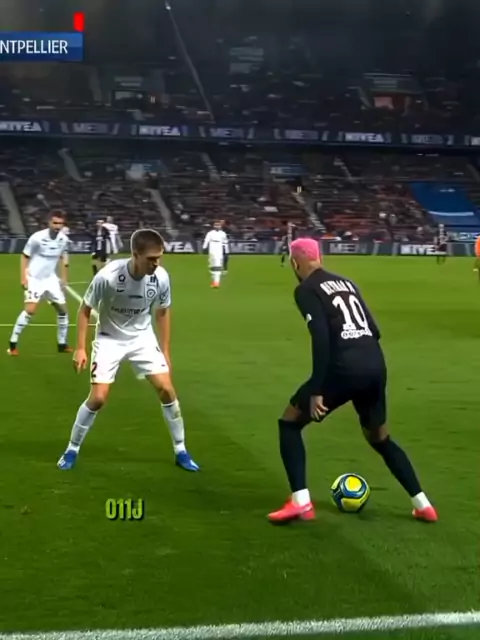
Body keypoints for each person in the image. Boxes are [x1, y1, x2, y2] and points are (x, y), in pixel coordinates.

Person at [268, 237, 437, 524]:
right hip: (374, 363)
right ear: (319, 257)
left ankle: (301, 502)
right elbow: (374, 330)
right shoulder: (346, 283)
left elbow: (321, 339)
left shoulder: (306, 289)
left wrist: (317, 389)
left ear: (295, 263)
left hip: (343, 367)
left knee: (289, 422)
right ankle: (423, 505)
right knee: (380, 438)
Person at [57, 228, 199, 473]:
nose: (156, 264)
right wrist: (80, 348)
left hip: (142, 338)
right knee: (98, 398)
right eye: (151, 259)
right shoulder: (108, 276)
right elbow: (85, 309)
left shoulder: (161, 277)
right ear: (135, 255)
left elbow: (162, 312)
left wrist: (165, 351)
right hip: (109, 339)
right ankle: (72, 449)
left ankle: (181, 450)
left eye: (159, 258)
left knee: (167, 390)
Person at [8, 210, 71, 356]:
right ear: (49, 222)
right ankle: (12, 344)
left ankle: (62, 344)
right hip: (35, 278)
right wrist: (23, 278)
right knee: (30, 310)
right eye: (55, 223)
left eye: (60, 223)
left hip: (50, 279)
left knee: (63, 311)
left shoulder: (63, 239)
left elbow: (64, 258)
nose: (57, 226)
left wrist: (64, 278)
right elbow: (24, 256)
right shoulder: (37, 237)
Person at [202, 221, 229, 288]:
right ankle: (214, 280)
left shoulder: (223, 233)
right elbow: (206, 240)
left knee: (217, 264)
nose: (217, 226)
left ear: (220, 226)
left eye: (218, 225)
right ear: (214, 226)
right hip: (212, 246)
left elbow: (225, 242)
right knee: (211, 264)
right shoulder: (210, 233)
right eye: (216, 225)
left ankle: (217, 282)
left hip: (219, 247)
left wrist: (226, 251)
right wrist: (204, 247)